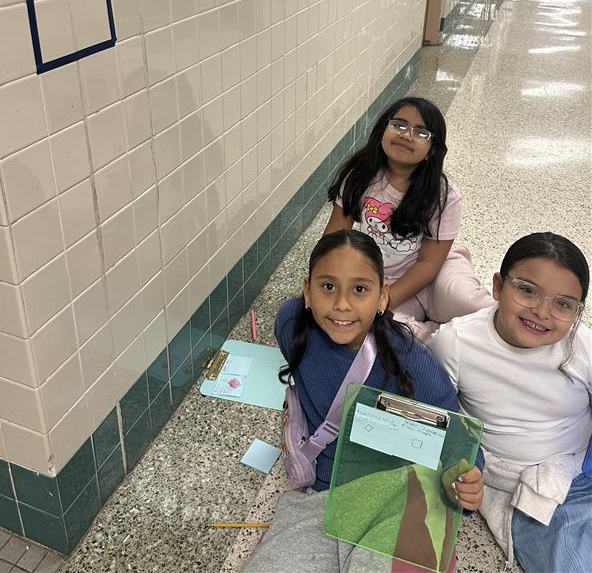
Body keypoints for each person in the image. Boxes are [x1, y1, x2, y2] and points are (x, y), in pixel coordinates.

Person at [242, 229, 483, 573]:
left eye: (360, 289)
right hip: (323, 499)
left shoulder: (411, 363)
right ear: (306, 290)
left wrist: (466, 480)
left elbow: (459, 441)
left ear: (383, 296)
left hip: (400, 498)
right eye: (328, 287)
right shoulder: (292, 322)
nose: (342, 304)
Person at [429, 232, 591, 573]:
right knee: (572, 562)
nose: (542, 312)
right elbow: (439, 418)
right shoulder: (457, 343)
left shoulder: (583, 347)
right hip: (528, 486)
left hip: (582, 461)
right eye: (527, 290)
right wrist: (460, 470)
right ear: (499, 287)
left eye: (563, 303)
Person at [325, 96, 494, 341]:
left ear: (432, 150)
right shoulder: (359, 176)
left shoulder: (444, 195)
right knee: (378, 330)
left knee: (471, 304)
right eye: (399, 125)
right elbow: (333, 238)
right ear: (382, 130)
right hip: (381, 278)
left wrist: (384, 301)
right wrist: (327, 283)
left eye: (421, 132)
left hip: (435, 271)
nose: (406, 135)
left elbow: (428, 264)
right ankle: (443, 338)